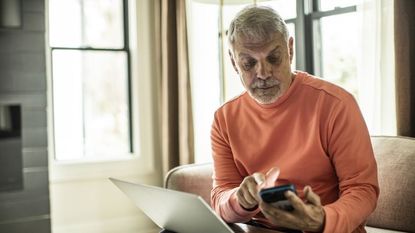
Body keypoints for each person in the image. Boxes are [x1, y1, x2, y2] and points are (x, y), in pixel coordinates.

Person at [210, 5, 379, 233]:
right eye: (248, 63)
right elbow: (220, 197)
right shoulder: (224, 118)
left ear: (290, 50)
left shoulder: (336, 105)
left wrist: (321, 220)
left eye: (274, 58)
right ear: (233, 62)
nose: (263, 73)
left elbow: (363, 190)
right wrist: (239, 200)